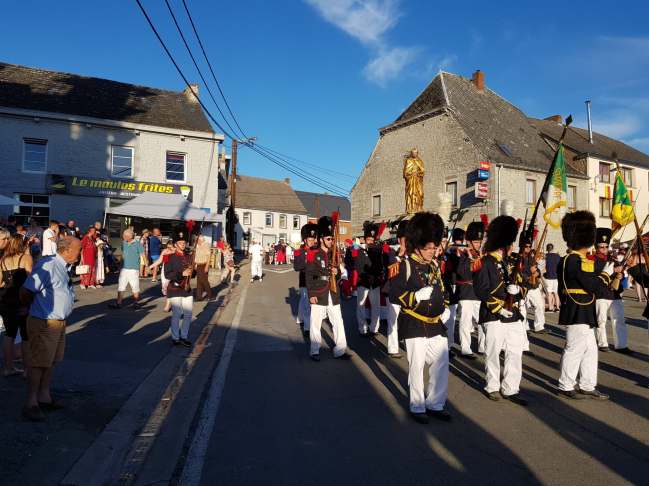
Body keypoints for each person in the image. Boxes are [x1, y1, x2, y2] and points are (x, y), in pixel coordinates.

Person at [389, 212, 451, 424]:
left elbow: (442, 290)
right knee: (416, 366)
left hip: (435, 324)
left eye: (434, 247)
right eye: (429, 248)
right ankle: (417, 406)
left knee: (441, 362)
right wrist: (415, 296)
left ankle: (436, 403)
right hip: (414, 322)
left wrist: (445, 307)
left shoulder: (434, 266)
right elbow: (394, 294)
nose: (433, 251)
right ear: (417, 246)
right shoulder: (404, 266)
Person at [20, 236, 81, 421]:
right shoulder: (48, 265)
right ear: (67, 250)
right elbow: (26, 290)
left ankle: (44, 397)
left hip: (58, 322)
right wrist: (33, 309)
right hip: (44, 322)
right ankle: (31, 403)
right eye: (78, 250)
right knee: (38, 363)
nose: (79, 254)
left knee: (50, 361)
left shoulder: (63, 266)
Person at [557, 212, 615, 400]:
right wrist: (606, 275)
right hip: (577, 307)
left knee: (590, 349)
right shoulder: (573, 260)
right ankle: (566, 385)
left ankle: (587, 385)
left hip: (583, 307)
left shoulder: (577, 259)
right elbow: (591, 285)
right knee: (575, 348)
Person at [474, 216, 528, 405]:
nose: (511, 247)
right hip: (493, 314)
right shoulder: (485, 262)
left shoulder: (511, 262)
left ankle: (511, 388)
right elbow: (481, 289)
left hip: (513, 314)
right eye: (509, 244)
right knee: (493, 352)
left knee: (515, 352)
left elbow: (524, 285)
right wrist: (498, 308)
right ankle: (492, 386)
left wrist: (517, 291)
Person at [305, 216, 352, 361]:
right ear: (321, 239)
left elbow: (340, 272)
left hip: (333, 291)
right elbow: (309, 275)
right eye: (328, 239)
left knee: (338, 321)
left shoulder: (334, 253)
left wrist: (336, 272)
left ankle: (340, 349)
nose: (331, 241)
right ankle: (314, 350)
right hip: (319, 291)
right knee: (315, 322)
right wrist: (311, 294)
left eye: (332, 239)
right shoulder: (313, 253)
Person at [592, 228, 630, 354]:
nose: (604, 249)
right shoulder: (592, 260)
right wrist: (613, 271)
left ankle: (621, 345)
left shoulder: (613, 259)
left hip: (615, 294)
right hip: (601, 293)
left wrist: (621, 275)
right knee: (601, 320)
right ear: (596, 247)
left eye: (606, 246)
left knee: (619, 319)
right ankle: (602, 343)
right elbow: (595, 276)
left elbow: (621, 275)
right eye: (601, 246)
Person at [1, 232, 33, 376]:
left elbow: (0, 282)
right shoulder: (26, 258)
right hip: (22, 299)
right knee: (25, 335)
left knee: (9, 334)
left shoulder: (3, 260)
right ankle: (27, 370)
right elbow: (31, 280)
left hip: (6, 299)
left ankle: (8, 368)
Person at [457, 222, 486, 358]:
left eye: (479, 242)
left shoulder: (482, 255)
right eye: (475, 242)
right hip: (467, 293)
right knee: (465, 322)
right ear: (469, 242)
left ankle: (482, 346)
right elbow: (463, 274)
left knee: (483, 321)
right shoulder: (463, 256)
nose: (478, 245)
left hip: (478, 293)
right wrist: (470, 259)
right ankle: (465, 348)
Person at [383, 219, 409, 358]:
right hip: (393, 291)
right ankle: (393, 348)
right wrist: (400, 254)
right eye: (405, 239)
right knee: (393, 321)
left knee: (407, 320)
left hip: (407, 292)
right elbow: (392, 269)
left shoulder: (412, 254)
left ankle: (407, 342)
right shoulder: (391, 251)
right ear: (399, 239)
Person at [355, 222, 384, 337]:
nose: (370, 241)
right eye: (368, 239)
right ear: (365, 239)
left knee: (376, 306)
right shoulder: (359, 250)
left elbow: (380, 266)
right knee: (361, 306)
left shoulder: (378, 250)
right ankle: (362, 328)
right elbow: (358, 266)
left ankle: (374, 328)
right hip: (363, 281)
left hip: (375, 281)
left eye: (372, 239)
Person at [165, 233, 194, 347]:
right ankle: (175, 337)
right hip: (174, 288)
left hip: (187, 288)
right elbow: (167, 274)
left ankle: (184, 336)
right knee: (177, 314)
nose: (183, 244)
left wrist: (193, 271)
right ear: (175, 244)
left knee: (188, 314)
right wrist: (182, 273)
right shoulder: (169, 257)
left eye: (184, 242)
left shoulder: (189, 256)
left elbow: (193, 274)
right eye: (180, 242)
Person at [109, 229, 143, 309]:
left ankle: (136, 303)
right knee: (121, 286)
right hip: (124, 269)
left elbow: (143, 255)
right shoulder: (123, 243)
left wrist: (146, 267)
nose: (123, 237)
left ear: (130, 236)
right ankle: (118, 303)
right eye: (123, 235)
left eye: (125, 236)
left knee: (135, 287)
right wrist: (120, 265)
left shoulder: (138, 244)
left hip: (133, 269)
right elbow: (123, 254)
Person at [294, 224, 318, 333]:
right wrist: (308, 263)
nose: (312, 242)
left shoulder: (316, 251)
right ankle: (307, 328)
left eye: (313, 239)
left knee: (303, 301)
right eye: (310, 240)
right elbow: (296, 267)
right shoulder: (299, 251)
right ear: (305, 240)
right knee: (307, 305)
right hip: (304, 280)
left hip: (314, 281)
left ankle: (300, 318)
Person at [520, 237, 546, 334]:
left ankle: (539, 326)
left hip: (533, 286)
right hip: (523, 286)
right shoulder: (519, 258)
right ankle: (524, 327)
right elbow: (518, 271)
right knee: (523, 309)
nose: (528, 248)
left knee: (540, 305)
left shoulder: (531, 257)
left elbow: (537, 268)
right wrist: (529, 275)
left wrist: (537, 273)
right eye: (526, 246)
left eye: (529, 246)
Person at [194, 234, 212, 301]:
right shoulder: (197, 246)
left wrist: (207, 266)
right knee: (199, 281)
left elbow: (208, 257)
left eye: (197, 240)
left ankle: (210, 296)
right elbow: (196, 256)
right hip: (198, 265)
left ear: (200, 240)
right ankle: (199, 297)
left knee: (204, 281)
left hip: (204, 265)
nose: (196, 241)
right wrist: (196, 264)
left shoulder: (206, 245)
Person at [544, 243, 561, 312]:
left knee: (549, 293)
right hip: (556, 277)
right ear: (552, 248)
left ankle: (551, 307)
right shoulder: (557, 256)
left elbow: (544, 266)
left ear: (547, 249)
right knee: (556, 293)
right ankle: (557, 307)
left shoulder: (546, 256)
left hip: (549, 276)